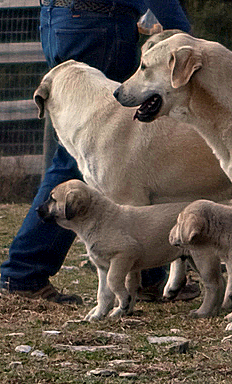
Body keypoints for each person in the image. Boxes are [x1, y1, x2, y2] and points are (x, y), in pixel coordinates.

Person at [0, 0, 192, 304]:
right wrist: (179, 29)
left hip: (60, 19)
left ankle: (148, 274)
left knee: (97, 156)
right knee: (87, 158)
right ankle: (25, 272)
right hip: (100, 26)